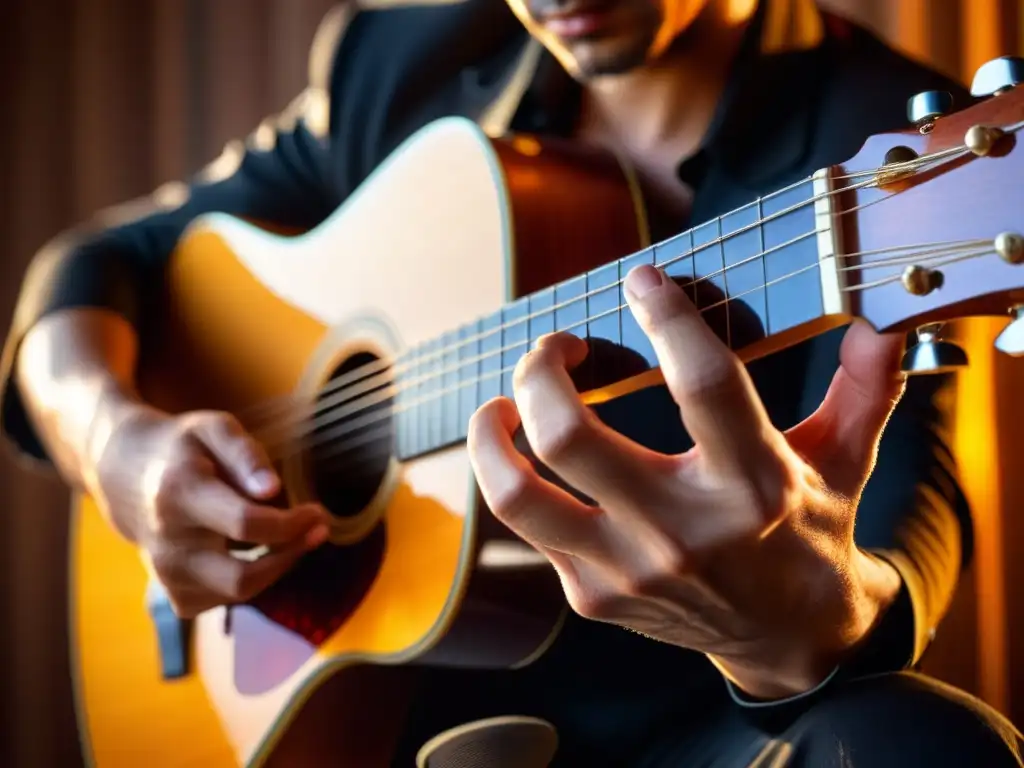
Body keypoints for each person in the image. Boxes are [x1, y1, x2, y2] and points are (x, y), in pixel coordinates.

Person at [1, 0, 1021, 764]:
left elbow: (910, 499)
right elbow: (100, 264)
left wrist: (805, 617)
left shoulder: (893, 139)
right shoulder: (406, 57)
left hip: (672, 729)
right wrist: (111, 445)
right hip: (381, 720)